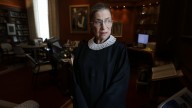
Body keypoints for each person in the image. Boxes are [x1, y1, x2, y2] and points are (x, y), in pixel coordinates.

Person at [72, 2, 130, 108]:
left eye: (108, 21)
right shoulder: (81, 49)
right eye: (98, 22)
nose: (104, 27)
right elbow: (75, 83)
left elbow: (119, 87)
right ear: (90, 25)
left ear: (112, 23)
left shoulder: (120, 51)